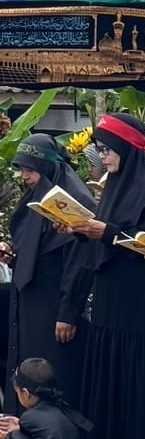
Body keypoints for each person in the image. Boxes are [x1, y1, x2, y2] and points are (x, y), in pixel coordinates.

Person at [70, 113, 145, 439]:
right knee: (110, 370)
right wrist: (81, 229)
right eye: (99, 151)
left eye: (107, 150)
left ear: (127, 149)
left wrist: (107, 232)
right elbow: (106, 235)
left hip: (139, 299)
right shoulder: (115, 184)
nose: (103, 158)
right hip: (111, 294)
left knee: (134, 374)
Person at [7, 136, 92, 405]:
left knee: (53, 373)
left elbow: (79, 263)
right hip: (30, 302)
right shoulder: (36, 197)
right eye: (22, 170)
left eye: (30, 170)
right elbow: (32, 244)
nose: (25, 177)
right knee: (28, 369)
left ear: (46, 168)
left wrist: (68, 313)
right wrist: (13, 255)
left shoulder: (73, 201)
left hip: (54, 308)